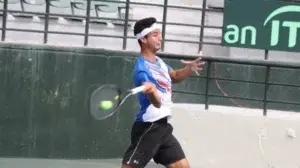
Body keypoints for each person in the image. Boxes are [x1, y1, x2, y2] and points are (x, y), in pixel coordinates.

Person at [121, 17, 204, 168]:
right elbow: (156, 103)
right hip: (149, 127)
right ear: (143, 39)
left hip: (163, 127)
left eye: (160, 34)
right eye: (155, 35)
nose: (160, 38)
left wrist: (189, 69)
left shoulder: (158, 62)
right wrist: (152, 91)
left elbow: (175, 76)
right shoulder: (142, 70)